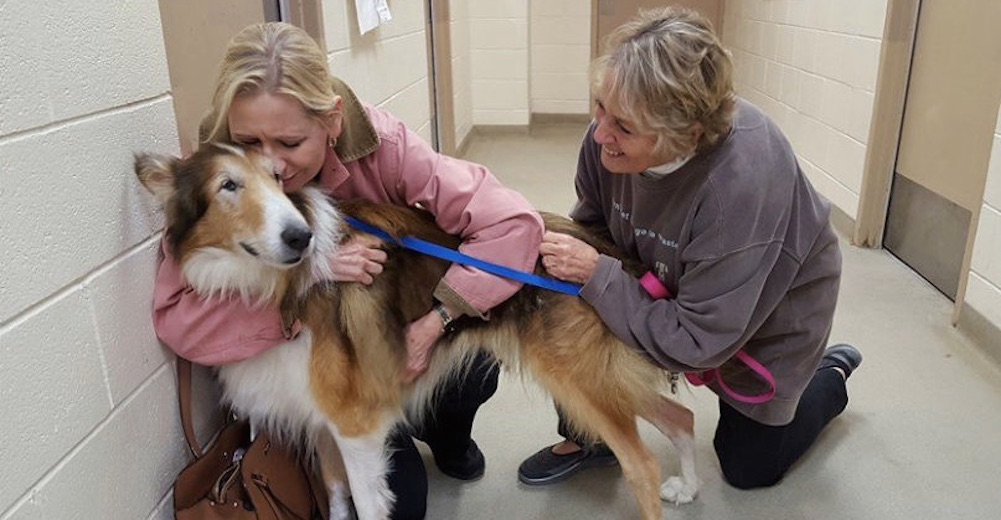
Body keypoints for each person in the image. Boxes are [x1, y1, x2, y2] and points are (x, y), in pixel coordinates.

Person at [152, 22, 543, 519]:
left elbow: (513, 223)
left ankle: (447, 432)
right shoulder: (212, 172)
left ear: (332, 122)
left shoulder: (386, 144)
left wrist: (436, 321)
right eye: (249, 140)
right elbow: (176, 317)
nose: (270, 163)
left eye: (291, 142)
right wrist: (307, 284)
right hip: (332, 370)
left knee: (476, 359)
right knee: (403, 509)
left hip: (398, 327)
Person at [517, 7, 862, 491]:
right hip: (670, 276)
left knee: (748, 468)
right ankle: (590, 438)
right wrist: (595, 276)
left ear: (688, 135)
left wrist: (603, 277)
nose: (600, 134)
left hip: (773, 305)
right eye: (600, 107)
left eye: (623, 126)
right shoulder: (606, 139)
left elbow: (699, 343)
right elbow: (592, 231)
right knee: (570, 292)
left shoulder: (740, 184)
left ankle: (827, 378)